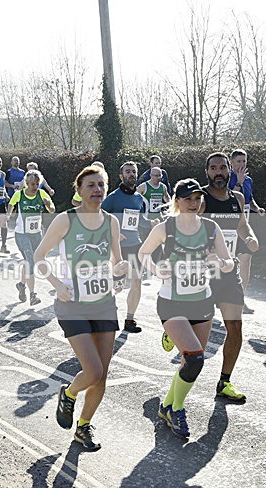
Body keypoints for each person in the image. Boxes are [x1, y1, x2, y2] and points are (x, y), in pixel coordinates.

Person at [33, 164, 128, 452]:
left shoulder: (111, 222)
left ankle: (84, 427)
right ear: (79, 191)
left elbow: (116, 263)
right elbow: (39, 255)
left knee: (103, 373)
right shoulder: (66, 220)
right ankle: (69, 393)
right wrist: (56, 284)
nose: (97, 190)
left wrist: (120, 273)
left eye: (101, 184)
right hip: (71, 304)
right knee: (93, 371)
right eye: (91, 185)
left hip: (103, 304)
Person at [139, 179, 235, 439]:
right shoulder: (165, 228)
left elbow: (228, 262)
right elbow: (143, 253)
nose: (194, 203)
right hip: (172, 302)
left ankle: (167, 406)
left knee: (189, 363)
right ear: (177, 201)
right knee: (194, 358)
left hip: (202, 301)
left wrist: (221, 262)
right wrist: (156, 268)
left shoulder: (211, 228)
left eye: (198, 199)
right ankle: (178, 410)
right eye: (188, 199)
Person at [168, 153, 258, 403]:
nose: (219, 172)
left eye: (223, 167)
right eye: (214, 168)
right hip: (202, 274)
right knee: (195, 335)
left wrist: (249, 236)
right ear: (207, 171)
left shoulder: (237, 198)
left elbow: (242, 225)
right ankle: (173, 327)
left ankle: (224, 381)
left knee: (235, 326)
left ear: (230, 170)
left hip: (228, 272)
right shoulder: (202, 200)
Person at [101, 161, 146, 333]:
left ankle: (129, 319)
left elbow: (141, 221)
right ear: (121, 176)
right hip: (116, 247)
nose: (131, 175)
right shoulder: (113, 197)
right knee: (115, 284)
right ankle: (103, 313)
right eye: (127, 172)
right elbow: (100, 216)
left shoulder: (139, 199)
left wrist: (153, 223)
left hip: (135, 245)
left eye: (133, 172)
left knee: (137, 281)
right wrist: (113, 233)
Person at [7, 169, 55, 306]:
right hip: (21, 234)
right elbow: (11, 204)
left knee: (34, 261)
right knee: (31, 261)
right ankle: (33, 295)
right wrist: (8, 215)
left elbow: (52, 210)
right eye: (32, 184)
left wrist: (48, 205)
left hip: (36, 234)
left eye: (37, 184)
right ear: (26, 183)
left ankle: (22, 285)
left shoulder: (42, 193)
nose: (35, 187)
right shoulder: (20, 194)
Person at [228, 149, 266, 314]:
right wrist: (238, 182)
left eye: (244, 161)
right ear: (231, 163)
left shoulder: (248, 180)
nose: (242, 164)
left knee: (246, 259)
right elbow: (230, 197)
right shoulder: (225, 178)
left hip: (244, 226)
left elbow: (249, 198)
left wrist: (257, 209)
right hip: (228, 228)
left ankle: (240, 298)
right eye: (238, 161)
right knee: (226, 263)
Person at [137, 165, 170, 263]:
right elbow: (134, 199)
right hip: (147, 220)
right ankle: (143, 264)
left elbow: (167, 199)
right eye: (155, 175)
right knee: (145, 243)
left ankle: (156, 264)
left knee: (158, 243)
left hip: (158, 219)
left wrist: (171, 209)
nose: (158, 178)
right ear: (151, 175)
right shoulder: (144, 186)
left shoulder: (162, 187)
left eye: (160, 176)